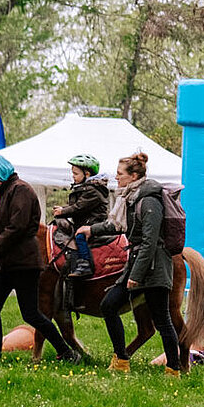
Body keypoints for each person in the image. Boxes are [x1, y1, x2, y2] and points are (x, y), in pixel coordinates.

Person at [82, 152, 184, 375]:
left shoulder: (149, 200)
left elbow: (149, 242)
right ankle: (121, 360)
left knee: (162, 319)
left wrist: (135, 276)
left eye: (120, 174)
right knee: (109, 305)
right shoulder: (131, 197)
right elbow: (117, 226)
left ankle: (174, 369)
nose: (116, 178)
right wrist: (92, 229)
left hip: (154, 268)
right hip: (138, 262)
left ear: (134, 175)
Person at [0, 154, 80, 364]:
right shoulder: (5, 192)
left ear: (0, 172)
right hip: (4, 264)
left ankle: (66, 352)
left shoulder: (21, 190)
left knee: (31, 314)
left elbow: (16, 228)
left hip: (24, 264)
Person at [50, 155, 110, 278]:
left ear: (87, 174)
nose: (73, 176)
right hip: (85, 221)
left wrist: (63, 211)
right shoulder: (84, 188)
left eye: (76, 174)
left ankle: (85, 263)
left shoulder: (93, 191)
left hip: (93, 223)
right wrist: (63, 210)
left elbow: (79, 207)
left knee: (80, 236)